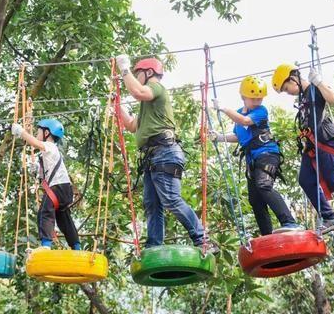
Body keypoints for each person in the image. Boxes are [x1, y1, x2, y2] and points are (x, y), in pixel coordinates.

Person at [115, 54, 217, 253]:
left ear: (149, 73)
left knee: (170, 198)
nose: (136, 77)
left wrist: (125, 70)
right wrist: (116, 105)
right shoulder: (147, 105)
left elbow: (137, 91)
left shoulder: (156, 89)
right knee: (152, 203)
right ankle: (154, 246)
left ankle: (202, 239)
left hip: (164, 152)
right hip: (153, 156)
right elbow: (131, 125)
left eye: (138, 74)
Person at [272, 64, 334, 233]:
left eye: (287, 88)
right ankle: (330, 217)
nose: (289, 93)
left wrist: (319, 81)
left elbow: (332, 99)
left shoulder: (315, 88)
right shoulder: (303, 98)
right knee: (306, 179)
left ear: (293, 78)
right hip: (312, 144)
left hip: (323, 140)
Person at [210, 75, 301, 236]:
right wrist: (219, 137)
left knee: (264, 186)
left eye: (259, 98)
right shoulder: (238, 114)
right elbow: (239, 136)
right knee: (255, 200)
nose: (257, 101)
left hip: (267, 154)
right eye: (253, 99)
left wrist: (224, 108)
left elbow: (245, 121)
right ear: (243, 97)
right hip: (253, 160)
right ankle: (267, 236)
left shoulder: (260, 111)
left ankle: (289, 221)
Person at [11, 119, 81, 250]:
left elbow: (36, 143)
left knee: (45, 212)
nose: (37, 135)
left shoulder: (50, 146)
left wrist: (21, 131)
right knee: (63, 218)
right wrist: (37, 169)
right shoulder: (49, 153)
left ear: (47, 133)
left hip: (58, 187)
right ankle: (76, 246)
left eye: (38, 132)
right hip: (64, 189)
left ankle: (46, 245)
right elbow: (47, 173)